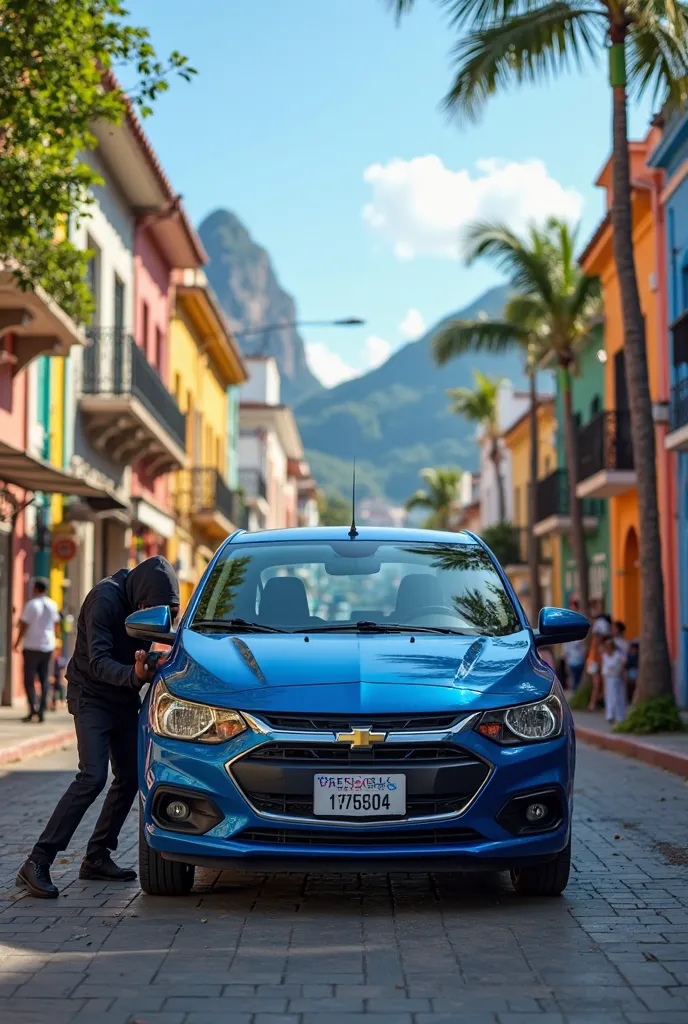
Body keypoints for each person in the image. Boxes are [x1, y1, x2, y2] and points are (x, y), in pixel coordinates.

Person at [16, 555, 179, 899]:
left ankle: (97, 855)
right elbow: (98, 660)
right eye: (151, 608)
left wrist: (154, 663)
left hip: (122, 696)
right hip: (90, 695)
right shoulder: (105, 599)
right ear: (141, 598)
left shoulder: (152, 606)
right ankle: (37, 861)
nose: (155, 615)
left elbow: (151, 650)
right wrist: (133, 675)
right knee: (92, 776)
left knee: (133, 775)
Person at [14, 579, 60, 723]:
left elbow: (23, 625)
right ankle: (41, 710)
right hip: (47, 645)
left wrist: (17, 642)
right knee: (44, 679)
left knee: (29, 680)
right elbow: (57, 623)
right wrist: (56, 639)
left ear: (35, 588)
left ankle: (33, 708)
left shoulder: (31, 604)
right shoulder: (52, 604)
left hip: (32, 646)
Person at [601, 635, 627, 725]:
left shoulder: (618, 655)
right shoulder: (605, 656)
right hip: (609, 679)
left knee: (618, 697)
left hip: (617, 679)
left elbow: (622, 665)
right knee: (609, 697)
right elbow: (604, 670)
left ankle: (620, 716)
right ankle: (610, 715)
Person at [564, 598, 587, 691]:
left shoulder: (581, 621)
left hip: (580, 657)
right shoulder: (566, 623)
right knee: (574, 680)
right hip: (571, 659)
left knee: (578, 680)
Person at [586, 631, 603, 712]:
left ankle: (593, 703)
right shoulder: (595, 649)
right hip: (594, 665)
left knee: (596, 686)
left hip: (593, 665)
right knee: (596, 686)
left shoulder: (593, 648)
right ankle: (592, 704)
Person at [625, 640, 639, 704]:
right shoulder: (629, 656)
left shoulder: (638, 656)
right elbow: (627, 666)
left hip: (636, 673)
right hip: (630, 673)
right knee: (630, 688)